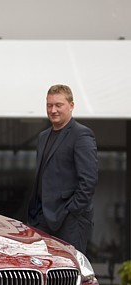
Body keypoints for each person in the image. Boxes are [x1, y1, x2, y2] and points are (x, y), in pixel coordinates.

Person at [27, 84, 98, 253]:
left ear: (71, 106)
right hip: (43, 219)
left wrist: (71, 211)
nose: (53, 110)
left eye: (59, 105)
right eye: (49, 105)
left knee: (70, 272)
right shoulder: (43, 137)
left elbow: (89, 181)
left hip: (70, 220)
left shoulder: (81, 135)